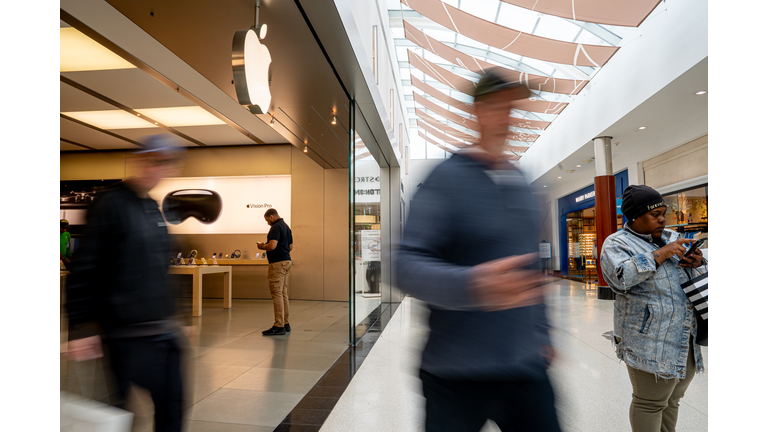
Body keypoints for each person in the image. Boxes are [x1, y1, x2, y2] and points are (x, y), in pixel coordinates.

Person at [395, 69, 561, 432]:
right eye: (497, 106)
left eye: (512, 107)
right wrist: (472, 285)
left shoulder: (521, 183)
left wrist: (544, 335)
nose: (507, 116)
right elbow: (405, 265)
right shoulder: (444, 179)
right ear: (477, 112)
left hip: (524, 366)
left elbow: (533, 271)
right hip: (455, 372)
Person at [65, 134, 188, 432]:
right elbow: (85, 267)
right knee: (118, 413)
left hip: (162, 332)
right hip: (125, 335)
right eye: (154, 161)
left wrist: (176, 316)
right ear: (139, 160)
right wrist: (80, 326)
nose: (158, 169)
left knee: (172, 408)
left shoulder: (152, 208)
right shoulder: (110, 203)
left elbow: (160, 267)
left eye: (166, 163)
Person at [600, 185, 707, 432]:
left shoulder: (671, 236)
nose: (662, 219)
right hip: (649, 340)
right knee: (650, 403)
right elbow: (619, 279)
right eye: (654, 214)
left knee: (672, 400)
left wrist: (698, 262)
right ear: (634, 216)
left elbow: (696, 276)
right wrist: (659, 255)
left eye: (663, 212)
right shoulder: (616, 243)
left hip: (684, 336)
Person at [257, 208, 293, 336]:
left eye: (267, 220)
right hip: (286, 262)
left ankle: (279, 325)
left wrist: (262, 246)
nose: (267, 223)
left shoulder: (276, 227)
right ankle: (285, 323)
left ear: (271, 216)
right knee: (283, 293)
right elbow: (290, 247)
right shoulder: (286, 227)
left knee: (276, 293)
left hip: (277, 264)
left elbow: (272, 246)